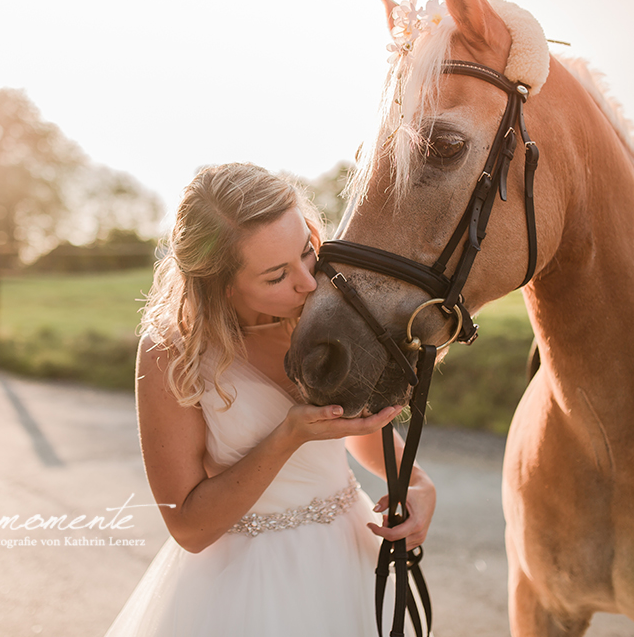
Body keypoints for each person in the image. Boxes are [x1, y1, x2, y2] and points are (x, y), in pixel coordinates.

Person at [104, 163, 436, 636]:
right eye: (277, 275)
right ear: (222, 284)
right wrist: (289, 436)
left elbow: (356, 425)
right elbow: (190, 529)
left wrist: (417, 481)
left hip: (352, 551)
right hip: (243, 584)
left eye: (308, 252)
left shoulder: (326, 317)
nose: (307, 282)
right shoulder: (171, 354)